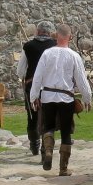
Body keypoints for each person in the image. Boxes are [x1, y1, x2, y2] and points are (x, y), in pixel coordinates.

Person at [28, 26, 93, 177]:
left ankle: (49, 152)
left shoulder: (47, 54)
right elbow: (82, 80)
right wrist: (87, 98)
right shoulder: (74, 56)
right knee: (66, 132)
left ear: (56, 36)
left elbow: (37, 77)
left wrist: (34, 97)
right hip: (66, 98)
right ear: (70, 37)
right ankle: (63, 169)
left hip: (48, 96)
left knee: (48, 127)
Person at [15, 21, 56, 156]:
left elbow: (20, 71)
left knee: (32, 115)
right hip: (51, 86)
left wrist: (24, 76)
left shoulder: (28, 46)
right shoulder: (55, 46)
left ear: (38, 31)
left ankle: (34, 144)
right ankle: (46, 146)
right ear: (50, 32)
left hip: (32, 85)